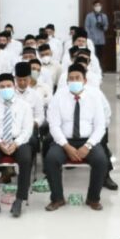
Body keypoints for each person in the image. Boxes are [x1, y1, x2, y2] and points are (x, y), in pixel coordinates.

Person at [43, 64, 108, 211]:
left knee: (101, 160)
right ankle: (57, 198)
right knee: (51, 159)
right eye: (70, 79)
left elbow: (100, 126)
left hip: (88, 140)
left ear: (85, 80)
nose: (74, 81)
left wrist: (88, 146)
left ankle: (93, 199)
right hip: (63, 141)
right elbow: (54, 125)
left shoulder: (94, 97)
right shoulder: (59, 96)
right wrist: (66, 146)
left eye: (77, 78)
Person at [0, 73, 34, 218]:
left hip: (19, 141)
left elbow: (27, 130)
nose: (5, 89)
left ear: (14, 86)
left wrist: (16, 144)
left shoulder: (24, 106)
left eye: (8, 86)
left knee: (26, 159)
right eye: (2, 86)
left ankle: (19, 200)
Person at [84, 1, 109, 68]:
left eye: (99, 5)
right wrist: (89, 36)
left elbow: (106, 26)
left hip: (101, 39)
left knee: (100, 55)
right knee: (92, 54)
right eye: (96, 5)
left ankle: (99, 68)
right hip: (92, 38)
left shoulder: (104, 16)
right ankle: (91, 68)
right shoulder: (89, 16)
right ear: (93, 7)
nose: (98, 7)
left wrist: (103, 27)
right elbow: (86, 27)